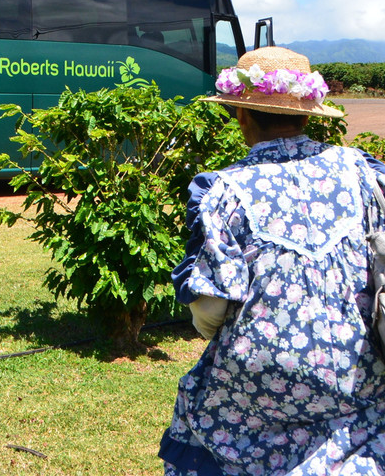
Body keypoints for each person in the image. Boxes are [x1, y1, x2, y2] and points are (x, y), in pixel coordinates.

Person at [159, 45, 385, 476]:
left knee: (205, 408)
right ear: (308, 114)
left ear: (241, 115)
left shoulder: (226, 190)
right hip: (357, 383)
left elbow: (210, 309)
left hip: (252, 395)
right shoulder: (363, 173)